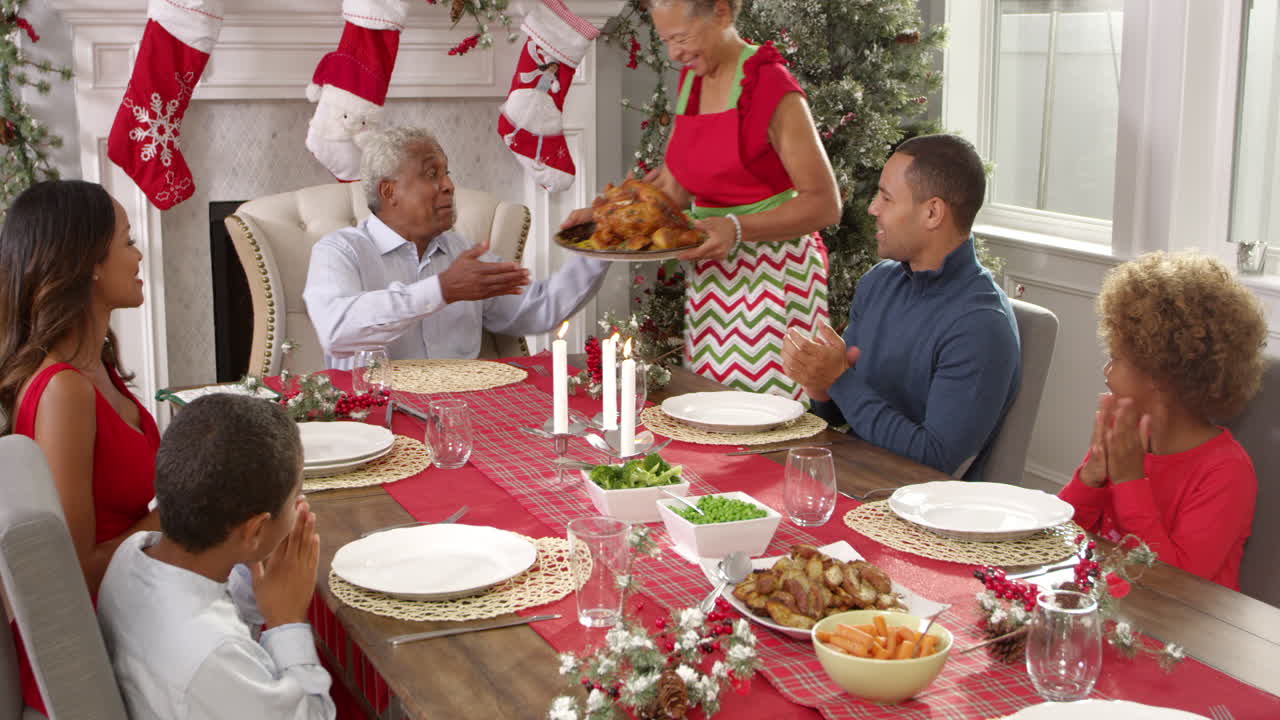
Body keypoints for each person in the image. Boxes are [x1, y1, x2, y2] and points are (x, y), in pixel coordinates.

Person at [562, 0, 841, 400]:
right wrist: (605, 218)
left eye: (681, 38)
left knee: (765, 420)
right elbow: (676, 189)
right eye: (665, 40)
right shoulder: (693, 79)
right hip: (716, 279)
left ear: (722, 13)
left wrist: (737, 227)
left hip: (775, 278)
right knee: (710, 411)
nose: (674, 53)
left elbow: (825, 204)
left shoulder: (770, 85)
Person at [0, 180, 160, 714]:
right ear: (90, 261)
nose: (138, 254)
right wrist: (188, 509)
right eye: (127, 240)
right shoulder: (65, 391)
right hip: (105, 643)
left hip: (136, 603)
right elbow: (72, 574)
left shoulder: (98, 370)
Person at [781, 134, 1020, 480]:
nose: (872, 208)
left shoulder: (981, 324)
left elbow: (934, 462)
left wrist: (839, 380)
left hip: (924, 515)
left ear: (932, 212)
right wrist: (820, 385)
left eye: (887, 198)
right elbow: (839, 413)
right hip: (853, 478)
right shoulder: (879, 283)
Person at [97, 393, 335, 719]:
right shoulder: (215, 655)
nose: (300, 506)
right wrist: (287, 620)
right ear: (253, 531)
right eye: (296, 496)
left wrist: (253, 586)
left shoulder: (133, 552)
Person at [304, 125, 610, 369]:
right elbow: (338, 331)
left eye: (446, 172)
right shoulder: (339, 251)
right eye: (431, 174)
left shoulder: (460, 252)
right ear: (389, 191)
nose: (449, 185)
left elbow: (539, 309)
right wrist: (442, 290)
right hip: (375, 419)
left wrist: (602, 243)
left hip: (462, 417)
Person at [1058, 252, 1266, 590]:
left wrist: (1129, 481)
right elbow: (1061, 539)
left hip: (1183, 634)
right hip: (1112, 612)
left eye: (1115, 358)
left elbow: (1174, 586)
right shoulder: (1125, 435)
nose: (1107, 373)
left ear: (1159, 375)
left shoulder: (1227, 471)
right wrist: (1089, 479)